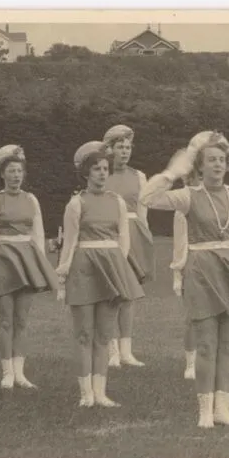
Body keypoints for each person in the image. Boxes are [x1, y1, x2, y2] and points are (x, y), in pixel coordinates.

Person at [139, 131, 229, 429]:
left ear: (228, 164)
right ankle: (204, 413)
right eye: (210, 160)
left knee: (228, 345)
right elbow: (147, 198)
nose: (217, 165)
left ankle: (223, 411)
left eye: (221, 160)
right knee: (205, 345)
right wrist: (174, 172)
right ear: (199, 166)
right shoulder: (189, 196)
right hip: (201, 271)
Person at [55, 141, 145, 408]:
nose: (103, 173)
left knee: (104, 334)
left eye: (105, 168)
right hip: (84, 268)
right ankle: (86, 394)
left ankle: (101, 392)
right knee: (84, 333)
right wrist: (63, 277)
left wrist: (119, 267)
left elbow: (124, 239)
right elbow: (69, 243)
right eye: (96, 169)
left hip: (111, 267)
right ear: (86, 173)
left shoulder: (117, 202)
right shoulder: (76, 203)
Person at [0, 145, 59, 390]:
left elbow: (38, 233)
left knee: (21, 320)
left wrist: (40, 265)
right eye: (11, 171)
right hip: (3, 261)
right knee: (5, 320)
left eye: (19, 171)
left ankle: (20, 373)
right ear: (2, 174)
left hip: (26, 260)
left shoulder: (31, 199)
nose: (15, 175)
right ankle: (7, 373)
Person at [103, 125, 154, 368]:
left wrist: (144, 240)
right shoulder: (102, 173)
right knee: (111, 293)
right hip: (110, 235)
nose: (124, 152)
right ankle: (111, 350)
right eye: (120, 147)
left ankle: (126, 351)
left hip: (134, 235)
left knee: (129, 296)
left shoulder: (139, 176)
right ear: (109, 149)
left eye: (128, 147)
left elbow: (142, 212)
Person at [171, 168, 201, 380]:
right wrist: (178, 274)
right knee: (194, 316)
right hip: (193, 265)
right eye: (196, 178)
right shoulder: (182, 207)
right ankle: (191, 363)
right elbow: (180, 243)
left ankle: (211, 358)